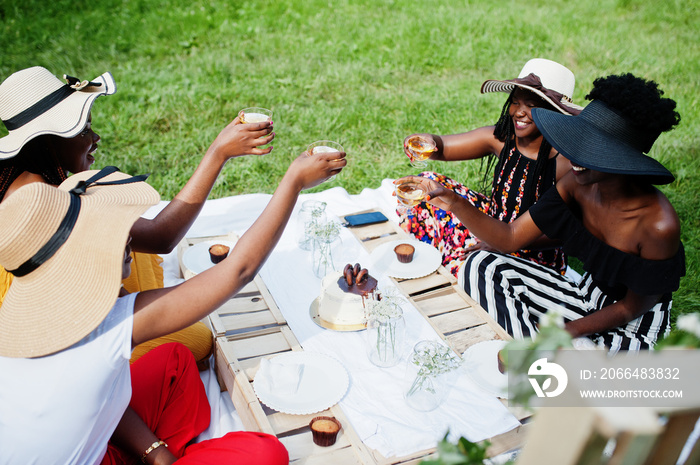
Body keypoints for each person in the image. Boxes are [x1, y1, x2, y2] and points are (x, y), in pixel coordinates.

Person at [0, 142, 344, 463]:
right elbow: (238, 270)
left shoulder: (36, 309)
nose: (131, 236)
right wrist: (293, 183)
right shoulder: (111, 325)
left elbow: (94, 391)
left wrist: (156, 453)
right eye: (115, 231)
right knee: (265, 453)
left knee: (174, 359)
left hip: (88, 442)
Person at [0, 66, 275, 365]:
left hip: (59, 285)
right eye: (83, 130)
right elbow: (162, 237)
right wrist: (217, 153)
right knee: (198, 341)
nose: (96, 136)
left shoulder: (23, 172)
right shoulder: (37, 200)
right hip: (41, 322)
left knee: (125, 226)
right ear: (47, 140)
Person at [398, 73, 684, 353]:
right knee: (482, 263)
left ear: (620, 160)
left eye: (590, 150)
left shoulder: (658, 225)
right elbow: (511, 237)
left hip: (632, 325)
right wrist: (452, 201)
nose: (573, 156)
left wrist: (562, 334)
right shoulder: (577, 183)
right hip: (583, 297)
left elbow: (630, 308)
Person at [399, 58, 582, 276]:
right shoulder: (504, 138)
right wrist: (428, 140)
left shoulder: (565, 164)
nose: (519, 112)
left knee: (473, 266)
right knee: (426, 187)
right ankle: (448, 253)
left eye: (532, 106)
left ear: (555, 113)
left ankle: (452, 258)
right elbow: (444, 146)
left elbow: (565, 232)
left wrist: (502, 243)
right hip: (493, 223)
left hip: (530, 249)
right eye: (515, 102)